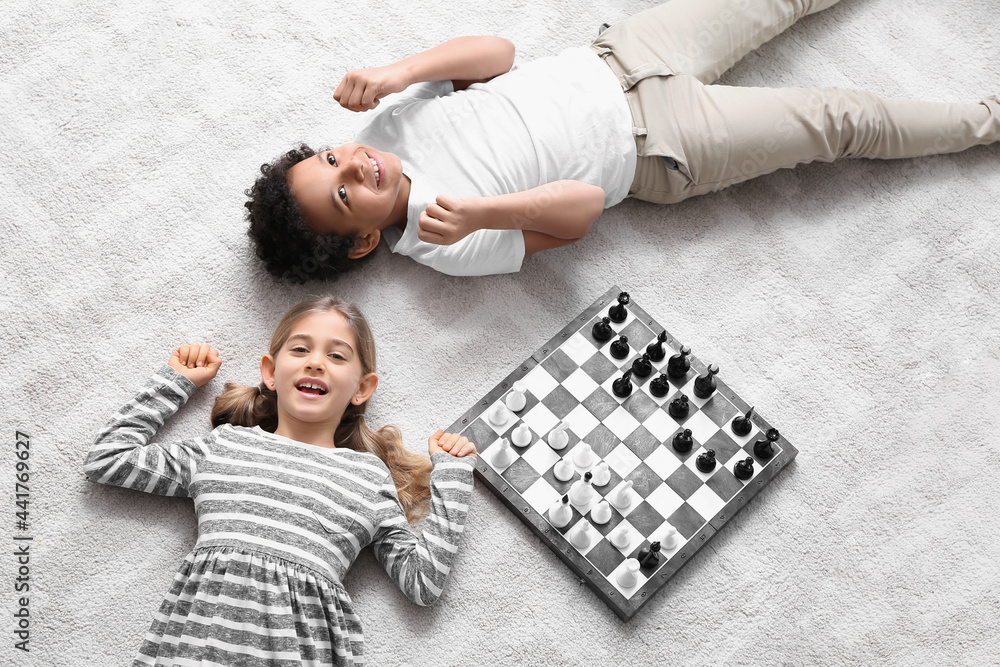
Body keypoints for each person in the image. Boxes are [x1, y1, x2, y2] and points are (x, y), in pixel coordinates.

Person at [244, 0, 1000, 282]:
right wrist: (482, 213)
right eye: (345, 193)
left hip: (623, 54)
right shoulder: (446, 245)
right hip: (662, 147)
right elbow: (582, 211)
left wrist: (402, 70)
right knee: (843, 120)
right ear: (362, 243)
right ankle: (988, 119)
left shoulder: (386, 127)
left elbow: (499, 54)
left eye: (332, 157)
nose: (356, 165)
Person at [83, 297, 477, 666]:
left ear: (361, 389)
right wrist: (177, 382)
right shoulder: (226, 446)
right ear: (270, 372)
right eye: (301, 350)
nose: (316, 363)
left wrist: (453, 476)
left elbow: (423, 583)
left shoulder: (368, 477)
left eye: (337, 356)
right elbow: (108, 459)